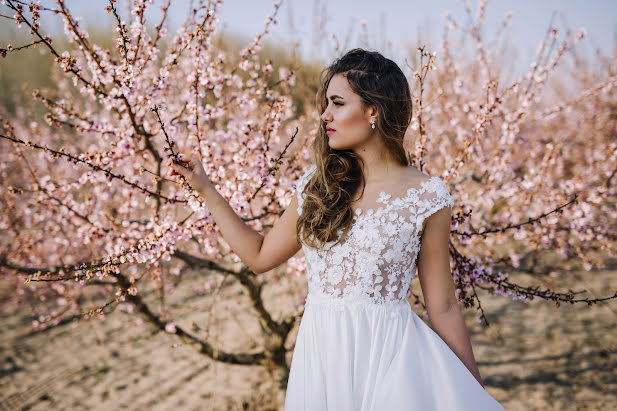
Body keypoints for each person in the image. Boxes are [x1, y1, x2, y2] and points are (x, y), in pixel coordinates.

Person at [170, 48, 504, 410]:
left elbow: (442, 306)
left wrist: (472, 390)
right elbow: (259, 256)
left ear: (373, 110)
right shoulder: (318, 185)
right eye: (327, 103)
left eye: (338, 103)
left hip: (390, 357)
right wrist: (206, 189)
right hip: (322, 356)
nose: (325, 115)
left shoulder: (427, 196)